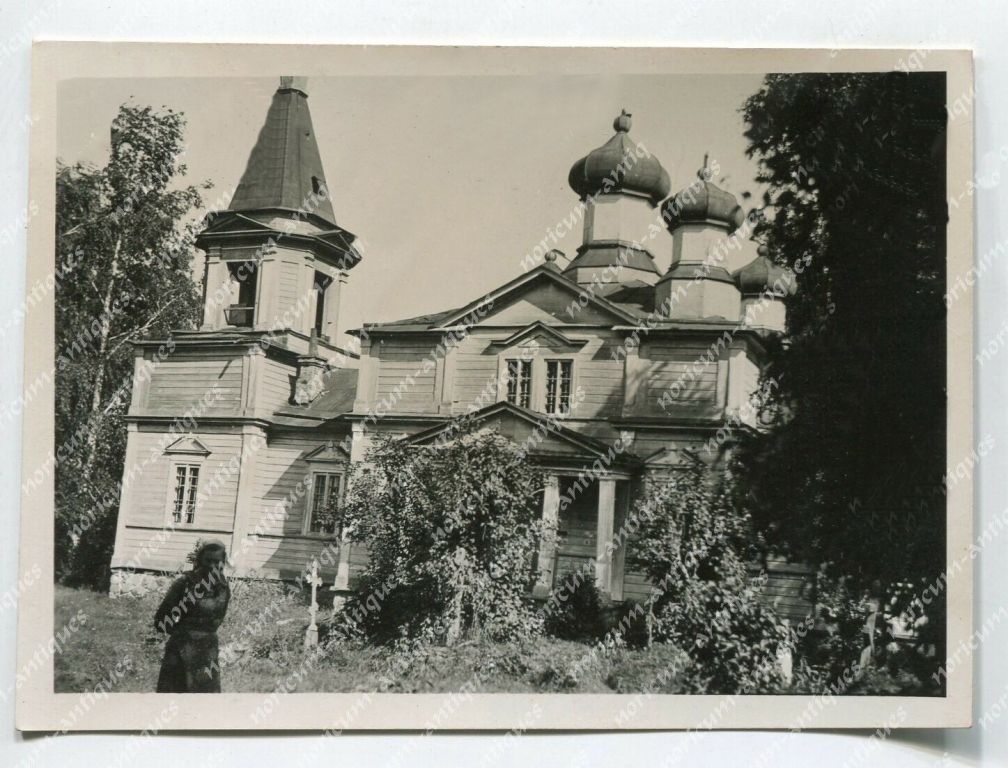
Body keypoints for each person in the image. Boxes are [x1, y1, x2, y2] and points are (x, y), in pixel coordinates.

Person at [153, 539, 231, 693]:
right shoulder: (184, 583)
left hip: (208, 652)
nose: (212, 566)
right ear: (199, 560)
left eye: (217, 561)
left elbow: (218, 619)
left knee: (203, 704)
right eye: (208, 560)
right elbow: (161, 621)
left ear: (223, 562)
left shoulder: (223, 587)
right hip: (181, 652)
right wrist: (183, 634)